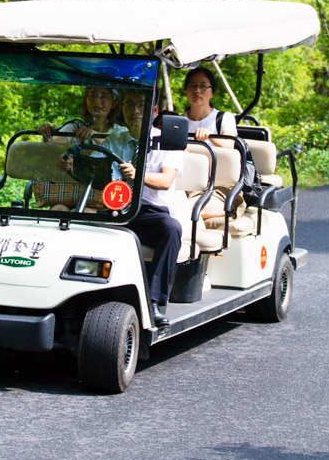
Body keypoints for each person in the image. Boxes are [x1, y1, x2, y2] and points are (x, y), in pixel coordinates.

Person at [116, 89, 183, 328]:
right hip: (118, 209)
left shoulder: (168, 142)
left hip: (150, 213)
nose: (135, 111)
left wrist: (138, 175)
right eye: (129, 105)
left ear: (154, 111)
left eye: (141, 106)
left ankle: (154, 302)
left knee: (171, 228)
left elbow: (166, 181)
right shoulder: (117, 138)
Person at [33, 86, 128, 209]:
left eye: (103, 96)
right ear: (86, 101)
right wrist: (46, 134)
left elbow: (119, 152)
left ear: (114, 102)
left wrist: (94, 134)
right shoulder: (75, 127)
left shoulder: (120, 132)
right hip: (68, 192)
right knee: (58, 209)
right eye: (92, 96)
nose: (97, 101)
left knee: (87, 212)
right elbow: (51, 147)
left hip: (101, 195)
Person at [183, 66, 244, 224]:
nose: (197, 90)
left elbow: (230, 146)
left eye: (203, 86)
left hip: (219, 186)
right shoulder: (180, 121)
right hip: (186, 184)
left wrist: (209, 137)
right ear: (186, 90)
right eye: (192, 85)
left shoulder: (224, 119)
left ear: (211, 92)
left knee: (189, 209)